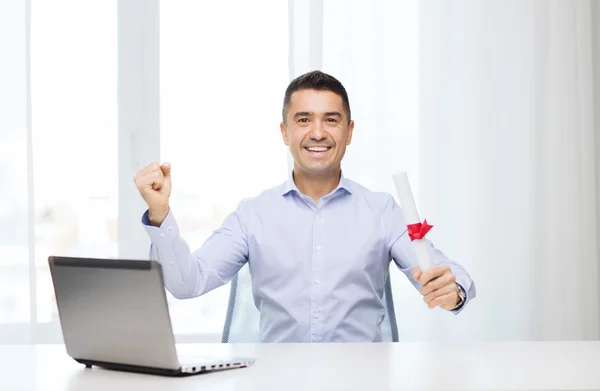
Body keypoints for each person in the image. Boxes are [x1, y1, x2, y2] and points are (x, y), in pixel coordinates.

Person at [134, 70, 476, 343]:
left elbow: (445, 273)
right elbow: (186, 283)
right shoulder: (253, 215)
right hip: (277, 381)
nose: (317, 132)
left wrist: (453, 291)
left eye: (331, 119)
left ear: (349, 130)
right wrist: (160, 215)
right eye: (303, 120)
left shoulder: (382, 211)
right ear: (285, 132)